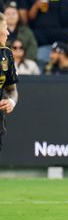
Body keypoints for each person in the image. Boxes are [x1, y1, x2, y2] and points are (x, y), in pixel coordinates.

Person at [0, 13, 19, 151]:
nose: (7, 33)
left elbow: (11, 89)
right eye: (5, 27)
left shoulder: (6, 54)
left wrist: (11, 101)